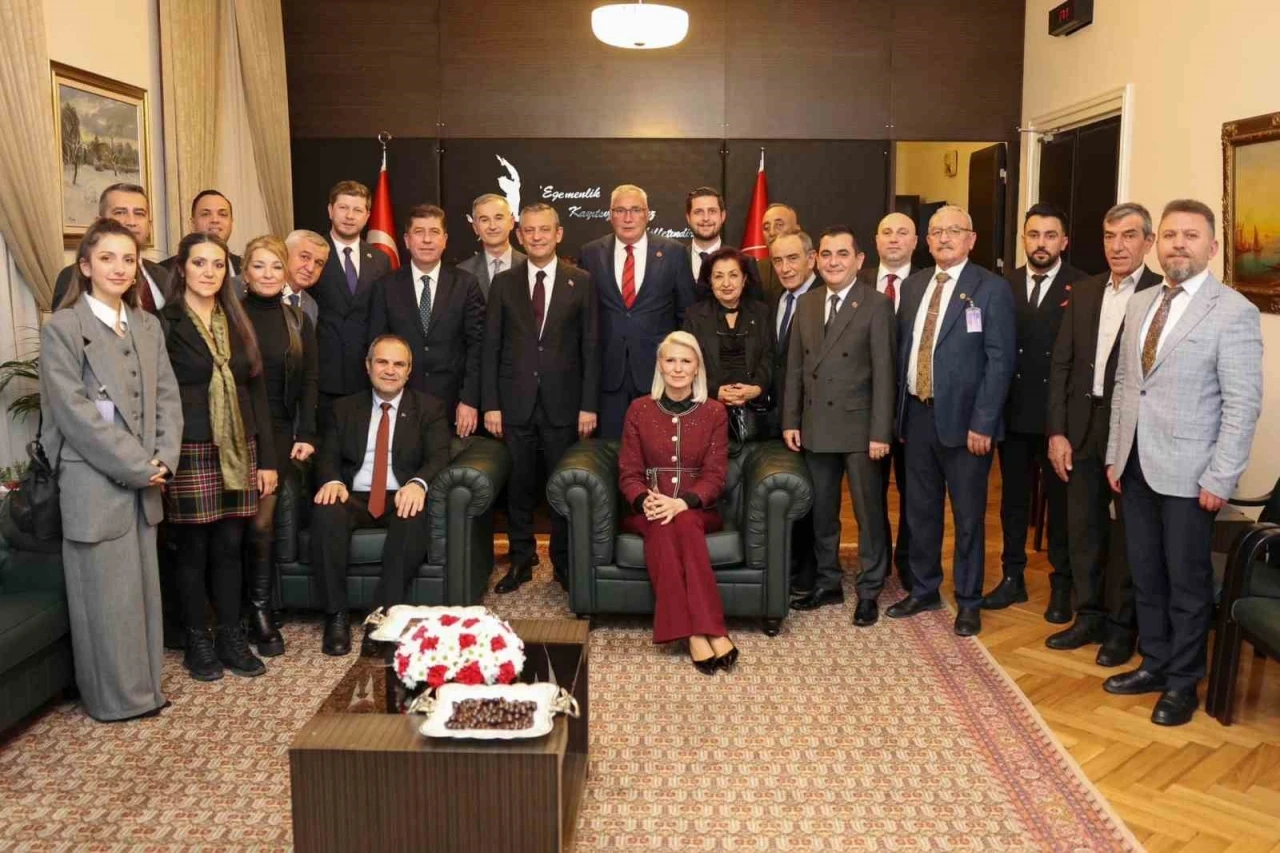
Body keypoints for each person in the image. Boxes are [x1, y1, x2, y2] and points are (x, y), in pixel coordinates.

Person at [1103, 199, 1262, 727]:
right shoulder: (1139, 303)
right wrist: (1115, 455)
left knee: (1187, 583)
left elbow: (1242, 405)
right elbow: (1126, 385)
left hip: (1192, 476)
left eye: (1190, 236)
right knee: (1145, 574)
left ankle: (1182, 682)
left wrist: (1221, 476)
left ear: (1212, 247)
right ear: (1157, 244)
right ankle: (1155, 662)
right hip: (1135, 467)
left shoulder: (1233, 311)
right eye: (1170, 235)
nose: (1178, 244)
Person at [40, 218, 182, 721]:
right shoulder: (62, 328)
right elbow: (74, 414)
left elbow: (167, 397)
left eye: (128, 259)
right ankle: (114, 700)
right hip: (93, 484)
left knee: (141, 595)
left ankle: (145, 690)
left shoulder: (147, 325)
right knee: (103, 599)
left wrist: (164, 458)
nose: (119, 268)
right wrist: (138, 465)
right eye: (107, 258)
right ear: (85, 267)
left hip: (147, 483)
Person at [888, 205, 1015, 637]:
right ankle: (924, 589)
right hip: (917, 416)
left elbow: (1000, 361)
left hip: (967, 425)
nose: (944, 238)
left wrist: (984, 422)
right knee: (920, 512)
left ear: (971, 239)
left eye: (954, 230)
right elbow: (903, 350)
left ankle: (968, 601)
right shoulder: (913, 286)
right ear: (926, 241)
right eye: (936, 232)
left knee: (968, 518)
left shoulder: (991, 289)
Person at [1046, 202, 1162, 666]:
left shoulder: (1161, 293)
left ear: (1148, 242)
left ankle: (1120, 627)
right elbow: (1061, 365)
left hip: (1132, 432)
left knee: (1129, 534)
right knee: (1083, 527)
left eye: (1129, 236)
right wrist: (1057, 432)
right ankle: (1088, 614)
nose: (1117, 246)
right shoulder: (1085, 290)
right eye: (1110, 236)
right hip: (1082, 426)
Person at [162, 232, 278, 681]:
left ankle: (231, 637)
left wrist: (267, 459)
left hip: (239, 445)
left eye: (217, 264)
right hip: (190, 446)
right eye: (199, 263)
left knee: (231, 546)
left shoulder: (236, 318)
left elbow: (256, 391)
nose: (208, 272)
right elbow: (157, 396)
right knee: (194, 549)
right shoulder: (164, 322)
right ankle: (197, 640)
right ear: (182, 268)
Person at [482, 203, 599, 593]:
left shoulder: (581, 282)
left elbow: (591, 347)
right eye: (529, 230)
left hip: (564, 404)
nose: (536, 237)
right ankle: (520, 559)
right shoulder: (504, 283)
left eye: (544, 230)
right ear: (519, 235)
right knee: (518, 486)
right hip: (514, 403)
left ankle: (562, 563)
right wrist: (491, 404)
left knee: (561, 487)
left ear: (558, 234)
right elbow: (491, 346)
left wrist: (588, 405)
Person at [782, 226, 896, 625]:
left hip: (861, 430)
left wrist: (881, 432)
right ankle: (828, 583)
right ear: (816, 260)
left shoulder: (876, 305)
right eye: (827, 254)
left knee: (868, 514)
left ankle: (869, 589)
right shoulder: (808, 303)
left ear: (859, 260)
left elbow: (885, 373)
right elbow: (795, 368)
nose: (833, 262)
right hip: (816, 425)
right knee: (822, 514)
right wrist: (791, 419)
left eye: (842, 254)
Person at [312, 335, 452, 656]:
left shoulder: (428, 408)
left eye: (398, 364)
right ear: (368, 365)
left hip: (400, 493)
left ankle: (382, 615)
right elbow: (327, 455)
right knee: (326, 509)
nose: (390, 370)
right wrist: (332, 480)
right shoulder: (343, 408)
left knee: (413, 513)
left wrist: (418, 483)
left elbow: (439, 455)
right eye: (383, 362)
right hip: (353, 495)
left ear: (409, 370)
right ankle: (336, 615)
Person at [984, 203, 1088, 621]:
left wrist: (1064, 423)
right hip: (1013, 412)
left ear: (1064, 241)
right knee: (1012, 501)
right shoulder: (1001, 285)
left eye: (1049, 235)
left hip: (1058, 419)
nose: (1040, 243)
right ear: (1023, 239)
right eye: (1033, 234)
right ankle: (1013, 577)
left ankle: (1062, 586)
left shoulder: (1083, 287)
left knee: (1060, 507)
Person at [618, 331, 737, 674]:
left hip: (698, 510)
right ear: (660, 365)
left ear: (697, 367)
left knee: (682, 521)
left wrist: (683, 502)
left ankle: (694, 630)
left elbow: (715, 475)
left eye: (686, 361)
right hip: (649, 509)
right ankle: (704, 631)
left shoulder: (714, 411)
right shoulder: (639, 409)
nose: (678, 368)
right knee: (663, 523)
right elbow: (628, 472)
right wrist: (647, 500)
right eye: (670, 360)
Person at [239, 235, 319, 657]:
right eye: (259, 266)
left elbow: (310, 380)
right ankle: (239, 609)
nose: (268, 274)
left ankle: (260, 608)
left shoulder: (298, 319)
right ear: (244, 273)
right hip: (238, 429)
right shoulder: (230, 316)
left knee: (261, 522)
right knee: (231, 525)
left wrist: (306, 433)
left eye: (275, 266)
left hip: (281, 430)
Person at [578, 184, 695, 438]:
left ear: (647, 214)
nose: (628, 218)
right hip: (608, 376)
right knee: (611, 451)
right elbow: (584, 319)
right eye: (620, 210)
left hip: (659, 374)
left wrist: (681, 368)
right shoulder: (590, 253)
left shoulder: (674, 253)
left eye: (635, 210)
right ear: (610, 215)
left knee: (658, 449)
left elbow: (687, 315)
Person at [368, 204, 485, 437]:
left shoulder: (466, 284)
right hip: (399, 402)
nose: (427, 240)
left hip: (454, 405)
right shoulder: (386, 286)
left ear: (445, 239)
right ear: (406, 240)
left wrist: (469, 400)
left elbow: (478, 346)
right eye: (419, 232)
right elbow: (377, 345)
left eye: (434, 232)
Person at [859, 212, 918, 590]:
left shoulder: (929, 283)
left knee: (914, 491)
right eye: (886, 232)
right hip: (866, 409)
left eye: (902, 233)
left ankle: (909, 563)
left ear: (915, 242)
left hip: (915, 408)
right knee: (870, 492)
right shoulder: (857, 281)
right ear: (876, 240)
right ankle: (877, 562)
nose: (894, 239)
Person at [311, 181, 394, 421]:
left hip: (365, 377)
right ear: (330, 210)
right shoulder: (312, 254)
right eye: (343, 208)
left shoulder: (380, 260)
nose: (349, 216)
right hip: (321, 376)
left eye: (357, 210)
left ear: (367, 215)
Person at [681, 248, 774, 451]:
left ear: (744, 279)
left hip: (754, 413)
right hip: (708, 409)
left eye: (733, 275)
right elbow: (687, 363)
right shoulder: (694, 316)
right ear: (710, 281)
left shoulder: (761, 312)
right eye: (718, 276)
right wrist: (714, 391)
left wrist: (757, 388)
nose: (726, 283)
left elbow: (769, 356)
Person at [767, 230, 819, 593]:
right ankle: (786, 566)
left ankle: (809, 572)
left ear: (811, 259)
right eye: (778, 261)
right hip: (777, 415)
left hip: (812, 417)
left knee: (812, 498)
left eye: (793, 259)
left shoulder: (823, 299)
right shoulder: (776, 299)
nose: (785, 268)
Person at [52, 183, 171, 311]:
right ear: (99, 223)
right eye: (120, 212)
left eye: (139, 213)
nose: (131, 222)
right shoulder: (72, 276)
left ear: (149, 225)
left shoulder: (163, 274)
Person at [684, 187, 763, 301]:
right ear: (688, 218)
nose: (706, 218)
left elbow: (755, 307)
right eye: (698, 212)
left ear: (723, 216)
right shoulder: (674, 261)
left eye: (712, 211)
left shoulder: (746, 262)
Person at [458, 193, 526, 299]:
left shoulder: (530, 266)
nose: (492, 226)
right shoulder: (462, 272)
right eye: (484, 220)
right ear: (475, 228)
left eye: (498, 218)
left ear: (512, 222)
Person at [162, 190, 241, 275]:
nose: (215, 220)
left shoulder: (245, 267)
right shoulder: (163, 272)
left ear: (231, 222)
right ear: (192, 224)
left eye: (222, 214)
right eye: (205, 214)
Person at [281, 229, 328, 323]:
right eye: (304, 257)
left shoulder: (311, 306)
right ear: (285, 254)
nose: (310, 268)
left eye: (318, 263)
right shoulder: (264, 292)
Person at [758, 203, 800, 298]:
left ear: (797, 230)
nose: (771, 232)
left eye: (779, 225)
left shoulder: (813, 266)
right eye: (766, 228)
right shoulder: (758, 270)